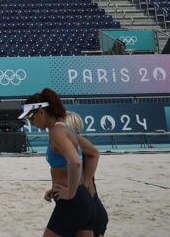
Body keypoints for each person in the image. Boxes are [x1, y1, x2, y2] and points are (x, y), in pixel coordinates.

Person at [19, 88, 95, 237]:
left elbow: (76, 162)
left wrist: (70, 192)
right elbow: (93, 153)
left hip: (72, 202)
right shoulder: (65, 127)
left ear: (41, 112)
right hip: (81, 200)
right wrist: (75, 187)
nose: (31, 123)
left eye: (31, 119)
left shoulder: (56, 131)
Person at [66, 111, 108, 237]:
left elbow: (95, 154)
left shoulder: (77, 142)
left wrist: (82, 187)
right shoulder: (71, 144)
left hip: (89, 208)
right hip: (89, 206)